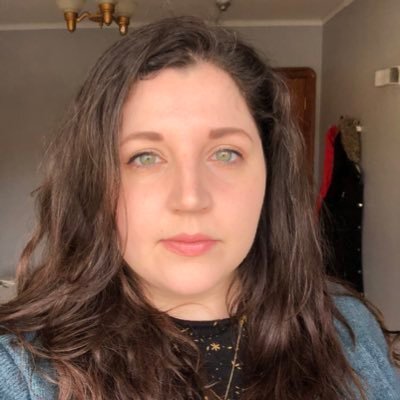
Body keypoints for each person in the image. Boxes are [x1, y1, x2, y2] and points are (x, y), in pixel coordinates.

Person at [0, 15, 399, 400]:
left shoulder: (348, 330)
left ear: (270, 171)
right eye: (144, 157)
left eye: (225, 153)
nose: (190, 199)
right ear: (95, 182)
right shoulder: (21, 369)